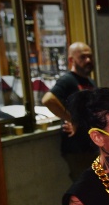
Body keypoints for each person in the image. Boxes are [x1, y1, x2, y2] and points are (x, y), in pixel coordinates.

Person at [42, 42, 98, 181]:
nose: (88, 60)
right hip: (77, 148)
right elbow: (48, 99)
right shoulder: (67, 80)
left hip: (92, 145)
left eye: (90, 56)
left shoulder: (90, 82)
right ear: (71, 60)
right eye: (83, 57)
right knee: (85, 186)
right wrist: (72, 119)